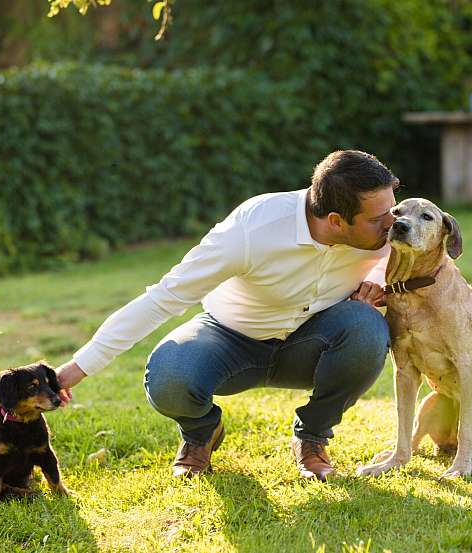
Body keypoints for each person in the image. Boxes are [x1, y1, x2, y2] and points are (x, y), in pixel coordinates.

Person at [55, 150, 398, 481]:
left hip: (313, 341)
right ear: (337, 221)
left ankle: (312, 438)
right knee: (169, 376)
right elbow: (165, 296)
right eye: (377, 219)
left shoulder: (388, 230)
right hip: (231, 339)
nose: (392, 224)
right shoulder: (253, 228)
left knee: (366, 327)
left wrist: (377, 278)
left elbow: (428, 265)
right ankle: (201, 433)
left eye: (392, 210)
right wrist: (80, 366)